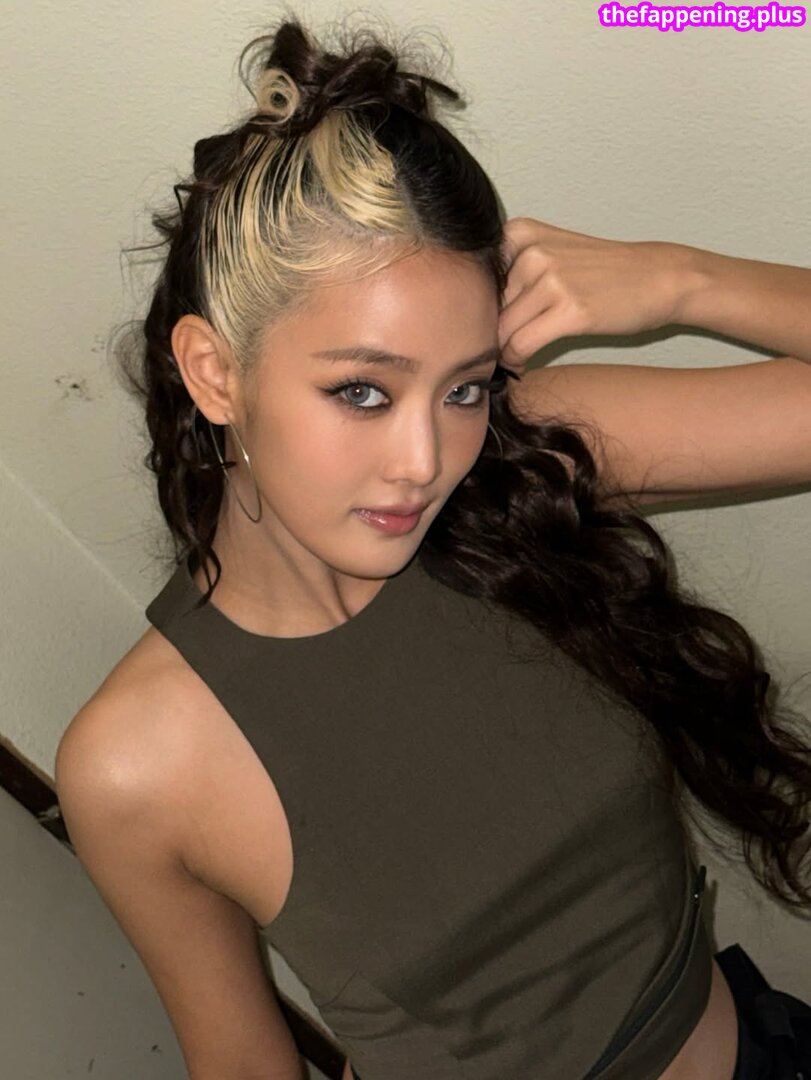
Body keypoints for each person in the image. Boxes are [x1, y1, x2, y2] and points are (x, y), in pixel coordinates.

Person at [54, 14, 811, 1080]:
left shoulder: (520, 471)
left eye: (463, 388)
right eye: (362, 391)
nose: (426, 461)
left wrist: (685, 280)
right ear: (215, 373)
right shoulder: (134, 765)